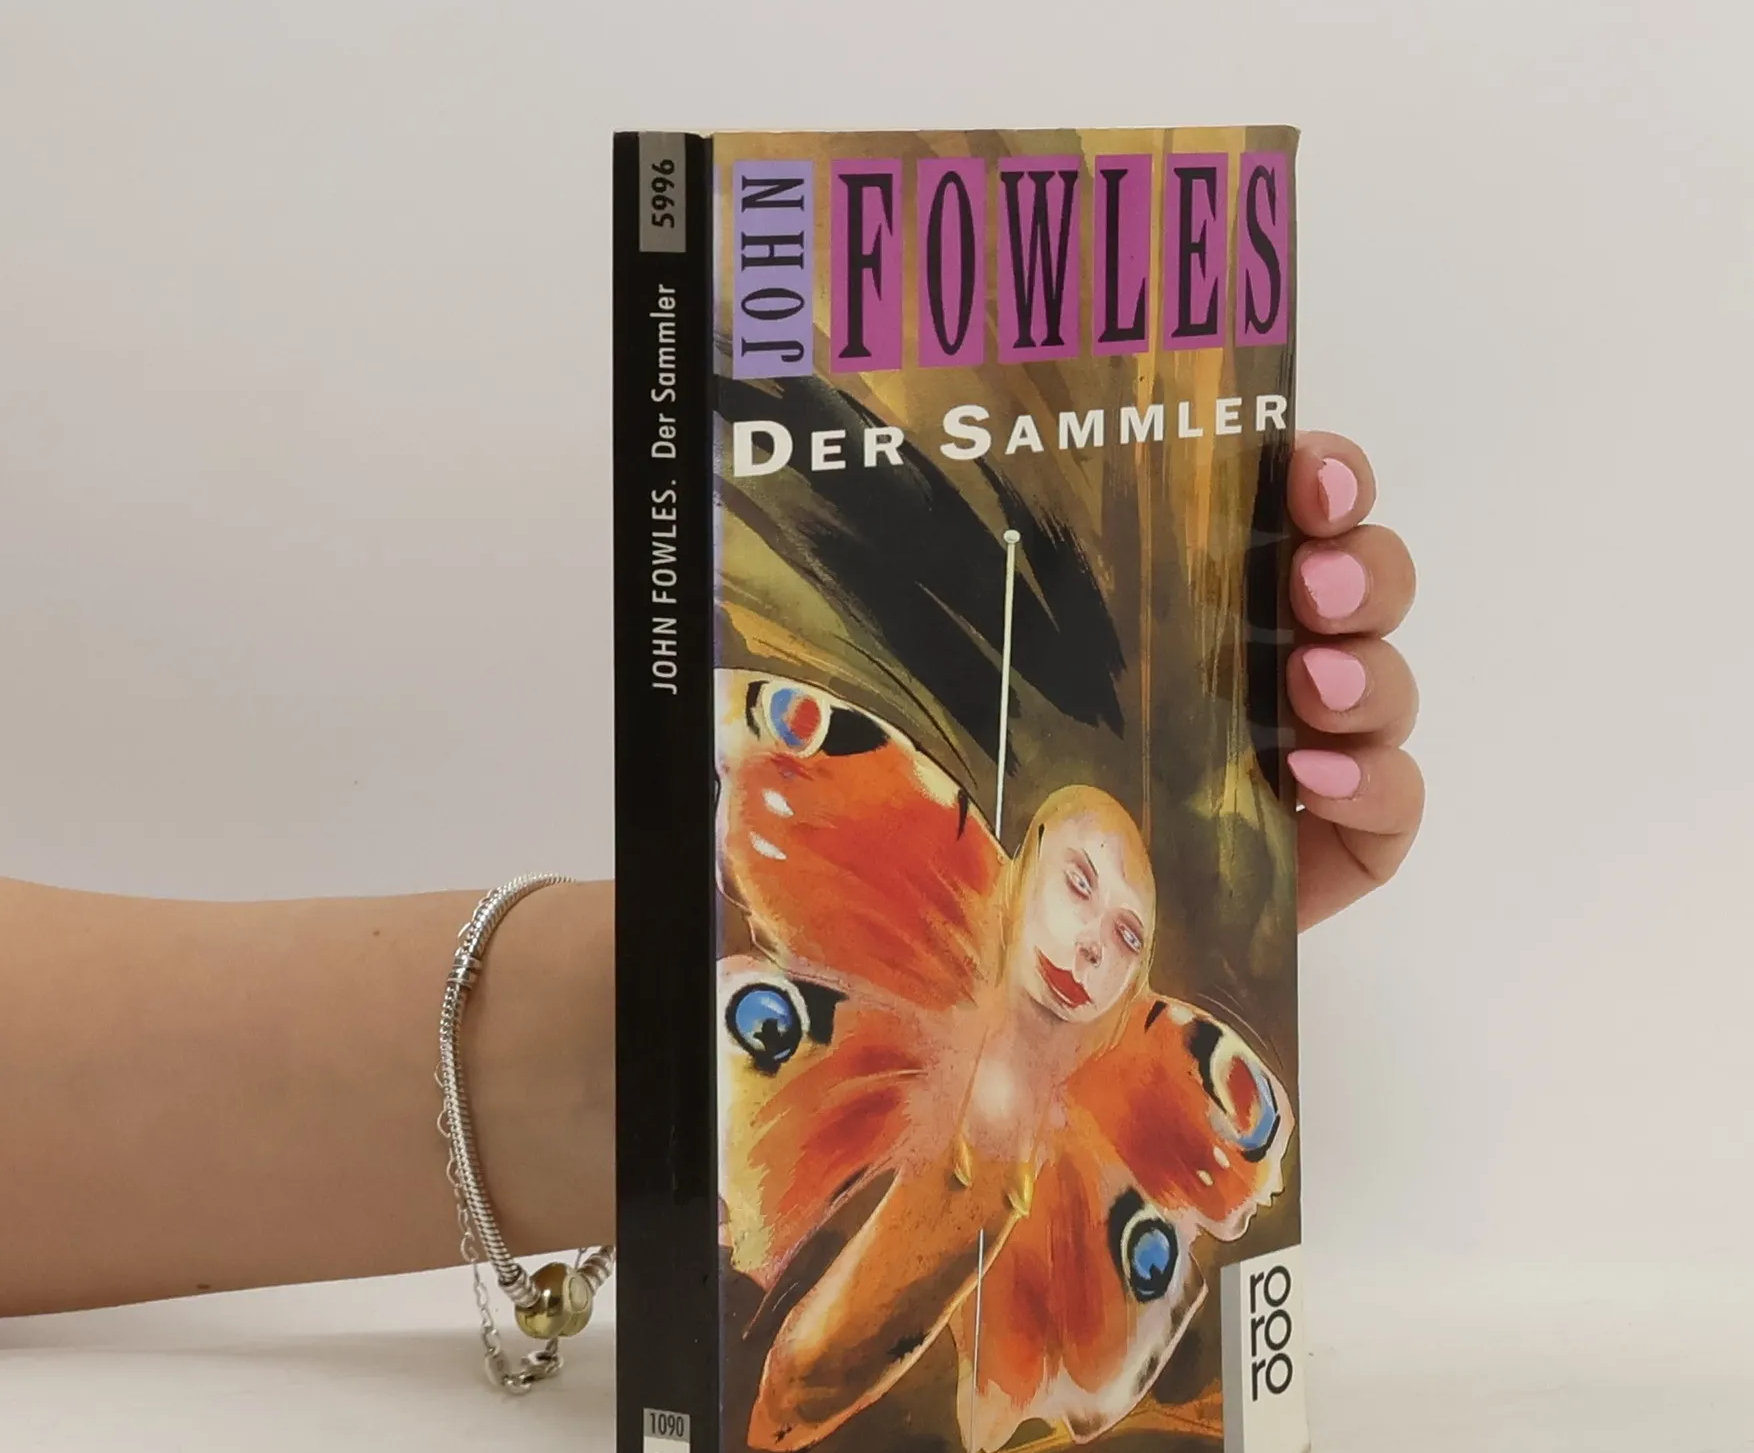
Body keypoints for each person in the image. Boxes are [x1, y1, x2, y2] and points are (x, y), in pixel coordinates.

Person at [0, 432, 1421, 1323]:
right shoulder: (945, 881)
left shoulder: (1104, 1031)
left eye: (1128, 926)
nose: (1101, 939)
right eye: (1083, 888)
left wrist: (627, 1055)